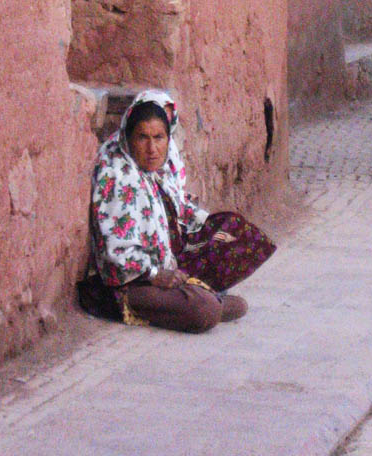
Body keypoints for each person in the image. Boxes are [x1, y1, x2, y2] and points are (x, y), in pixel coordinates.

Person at [86, 89, 274, 332]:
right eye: (142, 138)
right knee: (203, 310)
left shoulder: (154, 171)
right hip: (129, 284)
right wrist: (155, 274)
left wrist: (203, 227)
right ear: (128, 138)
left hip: (164, 266)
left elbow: (178, 212)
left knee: (233, 233)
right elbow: (116, 253)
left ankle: (201, 297)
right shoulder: (118, 177)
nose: (152, 148)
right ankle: (207, 301)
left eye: (159, 138)